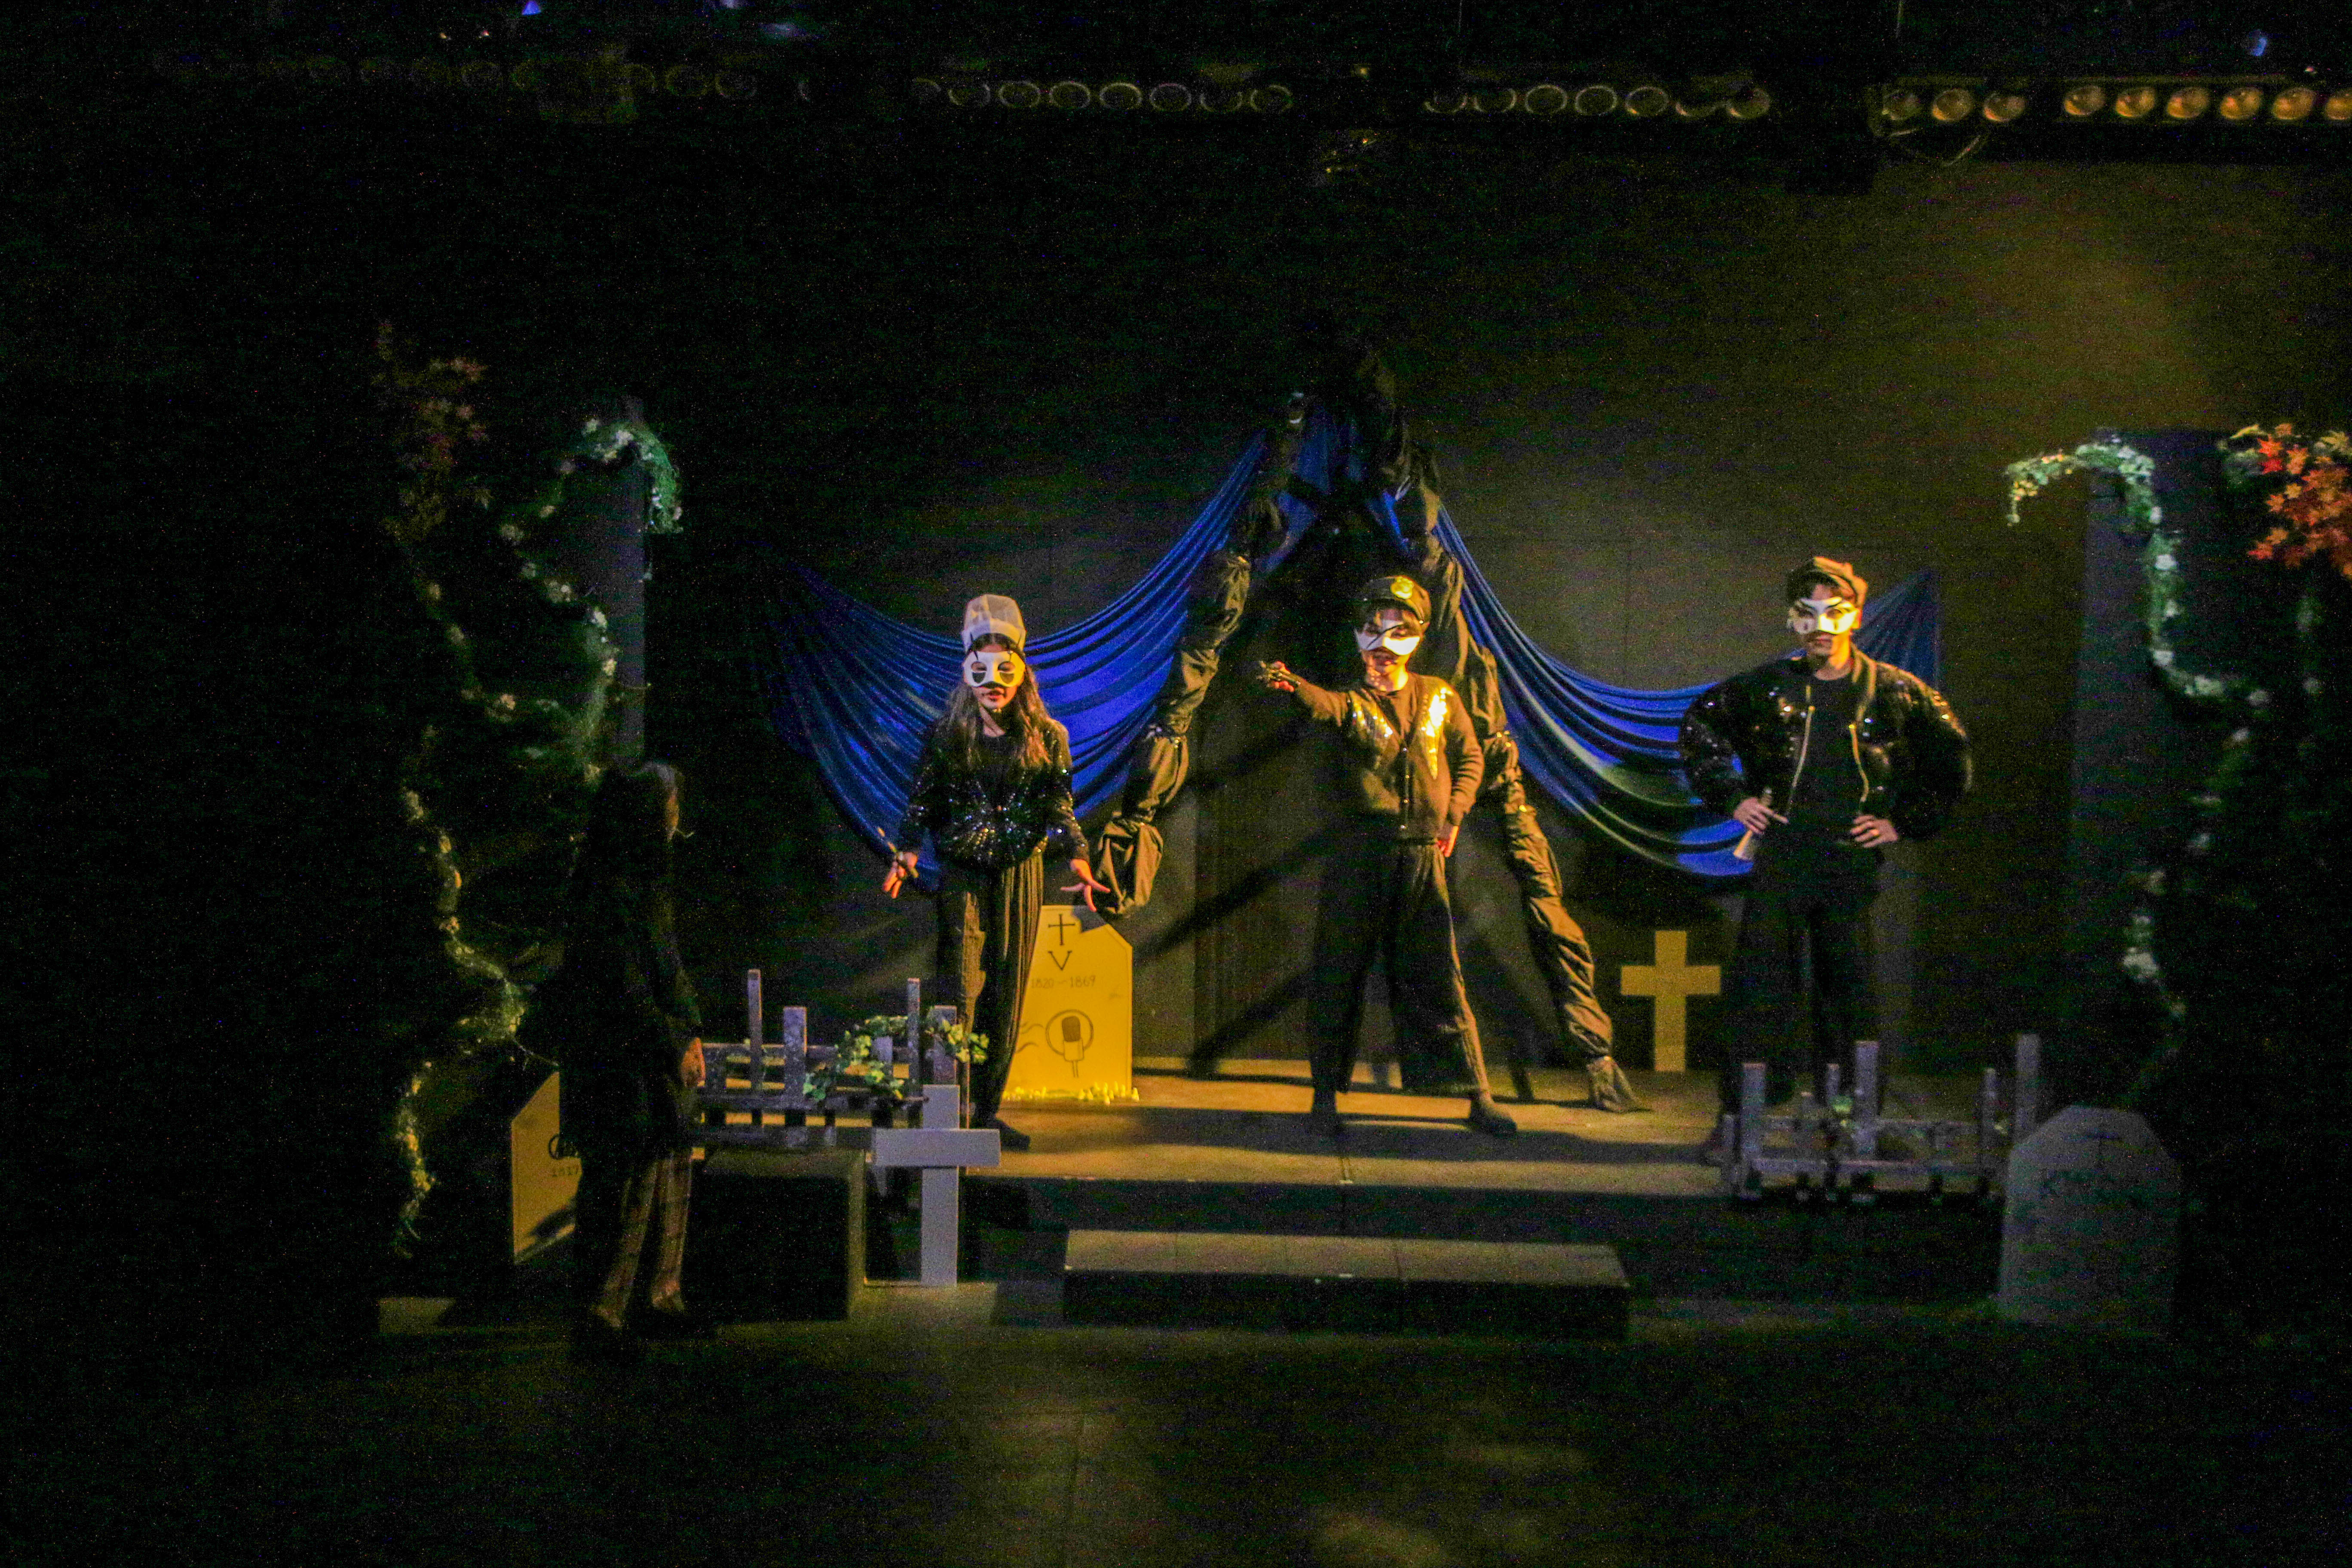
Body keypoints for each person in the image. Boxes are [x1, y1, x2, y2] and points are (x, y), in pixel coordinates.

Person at [1678, 558, 1971, 1141]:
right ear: (1791, 620)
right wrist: (1734, 799)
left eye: (1834, 612)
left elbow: (1950, 756)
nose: (1820, 626)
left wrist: (1903, 822)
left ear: (1855, 617)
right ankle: (1743, 1118)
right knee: (1762, 989)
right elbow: (1700, 728)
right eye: (1806, 614)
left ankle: (1852, 1118)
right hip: (1784, 854)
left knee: (1849, 994)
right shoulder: (1766, 687)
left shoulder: (1892, 690)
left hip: (1847, 860)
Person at [1256, 573, 1518, 1139]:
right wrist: (1294, 686)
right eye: (1373, 631)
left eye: (1398, 632)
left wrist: (1453, 815)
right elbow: (1327, 706)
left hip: (1421, 858)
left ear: (1418, 638)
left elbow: (1471, 757)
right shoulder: (1354, 702)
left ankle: (1477, 1095)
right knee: (1339, 973)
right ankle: (1325, 1097)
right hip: (1359, 858)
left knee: (1440, 976)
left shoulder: (1439, 697)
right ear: (1357, 637)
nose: (1383, 645)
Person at [885, 594, 1109, 1152]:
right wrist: (908, 849)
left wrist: (1078, 854)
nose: (993, 683)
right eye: (981, 670)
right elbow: (923, 801)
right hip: (963, 871)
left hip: (1019, 873)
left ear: (1021, 672)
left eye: (1003, 670)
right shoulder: (946, 735)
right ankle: (951, 1107)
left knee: (1005, 995)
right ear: (968, 671)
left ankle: (986, 1111)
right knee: (960, 989)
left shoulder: (1047, 737)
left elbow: (1060, 805)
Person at [542, 761, 709, 1361]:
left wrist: (690, 1033)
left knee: (666, 1171)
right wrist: (670, 1042)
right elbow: (623, 985)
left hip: (654, 1056)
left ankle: (657, 1298)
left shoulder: (648, 880)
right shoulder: (606, 890)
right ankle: (601, 1315)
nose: (675, 817)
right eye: (668, 805)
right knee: (622, 1181)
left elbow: (669, 963)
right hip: (619, 1061)